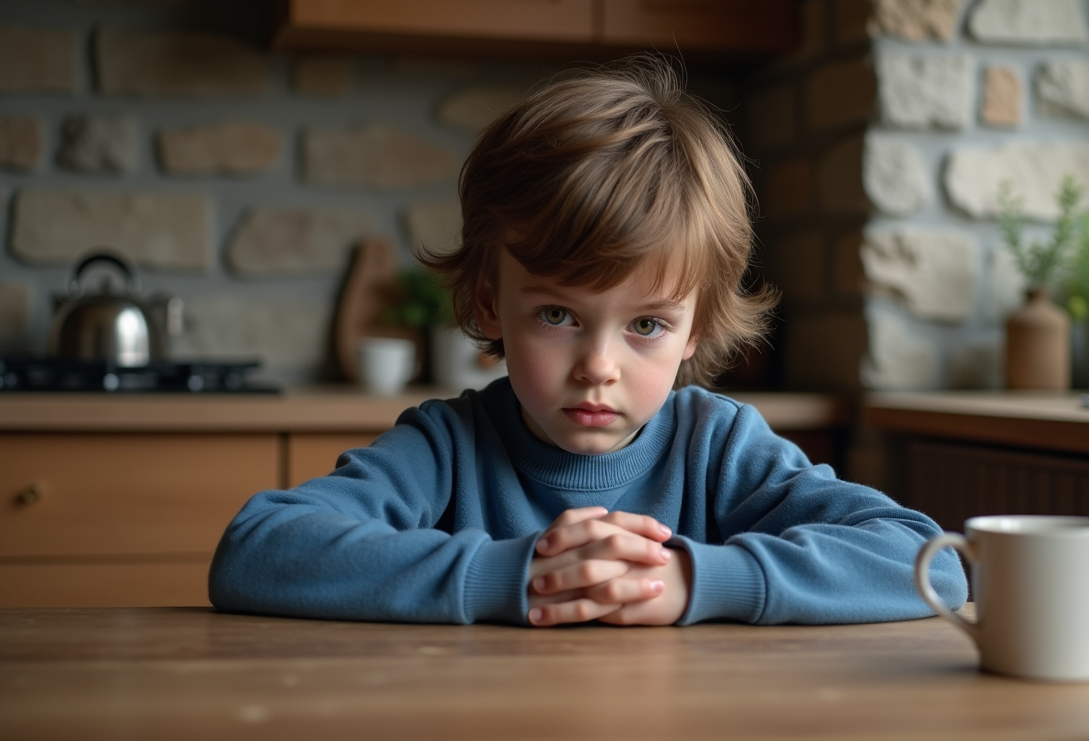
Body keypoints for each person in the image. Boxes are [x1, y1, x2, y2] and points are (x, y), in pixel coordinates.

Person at [209, 56, 967, 627]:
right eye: (557, 316)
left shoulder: (718, 446)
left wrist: (694, 581)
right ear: (491, 304)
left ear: (696, 327)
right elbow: (257, 549)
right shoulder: (448, 447)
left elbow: (932, 561)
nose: (598, 368)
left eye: (647, 325)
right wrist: (517, 576)